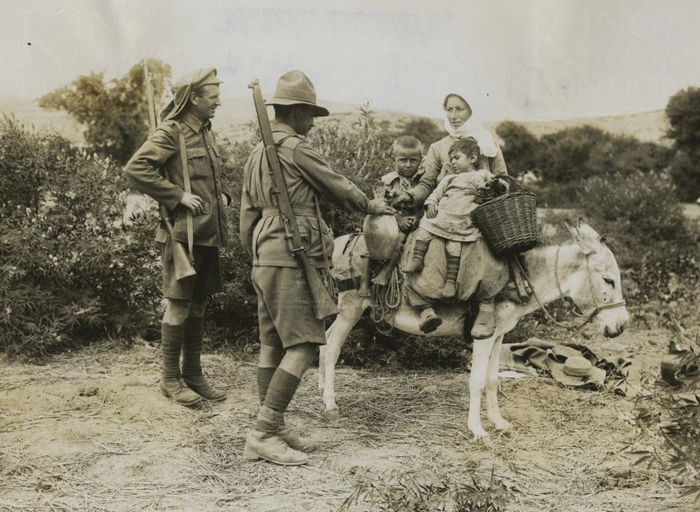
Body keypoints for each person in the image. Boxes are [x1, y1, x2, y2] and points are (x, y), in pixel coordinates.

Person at [239, 70, 394, 466]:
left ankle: (273, 426)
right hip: (293, 252)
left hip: (265, 251)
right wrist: (369, 205)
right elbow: (336, 185)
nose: (312, 123)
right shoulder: (294, 148)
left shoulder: (258, 153)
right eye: (310, 114)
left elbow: (246, 215)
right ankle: (262, 432)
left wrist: (257, 255)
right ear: (297, 112)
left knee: (272, 341)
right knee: (306, 342)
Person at [125, 68, 230, 407]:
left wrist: (223, 194)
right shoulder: (171, 132)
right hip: (182, 235)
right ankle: (170, 380)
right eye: (212, 97)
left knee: (198, 304)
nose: (218, 102)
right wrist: (176, 195)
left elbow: (214, 175)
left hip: (207, 233)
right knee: (179, 305)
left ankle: (193, 373)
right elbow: (136, 168)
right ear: (193, 98)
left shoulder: (206, 131)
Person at [391, 93, 509, 333]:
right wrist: (411, 196)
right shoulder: (438, 147)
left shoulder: (487, 144)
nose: (454, 116)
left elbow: (504, 178)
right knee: (429, 250)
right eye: (449, 110)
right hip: (445, 213)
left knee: (485, 250)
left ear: (472, 110)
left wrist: (493, 190)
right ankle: (427, 306)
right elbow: (427, 184)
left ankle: (485, 309)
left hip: (479, 215)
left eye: (460, 109)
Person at [358, 135, 424, 297]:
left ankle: (386, 273)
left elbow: (426, 203)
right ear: (394, 159)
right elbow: (382, 205)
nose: (408, 165)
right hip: (390, 220)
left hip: (415, 222)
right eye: (403, 160)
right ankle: (364, 282)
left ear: (421, 160)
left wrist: (417, 217)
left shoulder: (423, 182)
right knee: (369, 242)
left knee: (402, 240)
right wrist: (397, 219)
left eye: (413, 161)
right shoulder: (388, 182)